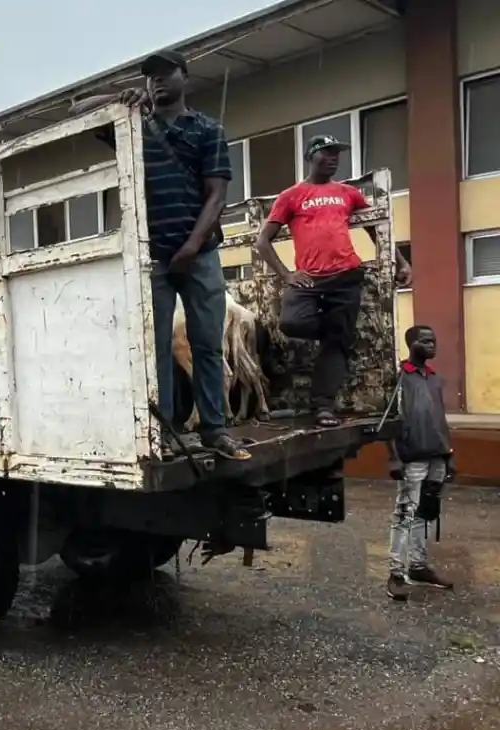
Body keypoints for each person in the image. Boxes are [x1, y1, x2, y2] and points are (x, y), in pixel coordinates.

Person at [69, 51, 250, 460]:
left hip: (199, 254)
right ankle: (165, 432)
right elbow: (75, 109)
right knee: (158, 349)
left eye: (165, 74)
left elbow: (217, 194)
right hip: (152, 256)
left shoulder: (207, 129)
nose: (157, 82)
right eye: (150, 77)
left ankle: (215, 429)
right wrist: (121, 97)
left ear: (185, 76)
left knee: (206, 344)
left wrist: (190, 246)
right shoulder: (133, 126)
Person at [255, 135, 413, 427]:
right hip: (309, 279)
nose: (333, 158)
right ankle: (335, 332)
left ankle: (323, 407)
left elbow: (376, 230)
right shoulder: (291, 196)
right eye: (326, 153)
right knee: (291, 323)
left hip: (346, 277)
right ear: (310, 157)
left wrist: (401, 262)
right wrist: (287, 274)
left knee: (336, 345)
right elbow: (263, 242)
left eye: (336, 153)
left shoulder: (348, 193)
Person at [385, 325, 455, 601]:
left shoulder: (434, 379)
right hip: (411, 457)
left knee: (427, 512)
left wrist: (450, 457)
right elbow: (388, 421)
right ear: (411, 343)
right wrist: (393, 457)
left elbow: (441, 420)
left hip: (437, 456)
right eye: (425, 341)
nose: (432, 345)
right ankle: (395, 573)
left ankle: (418, 566)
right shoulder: (400, 378)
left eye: (434, 340)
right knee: (405, 514)